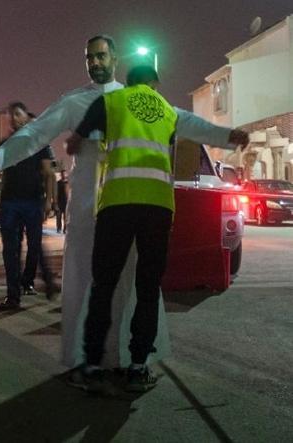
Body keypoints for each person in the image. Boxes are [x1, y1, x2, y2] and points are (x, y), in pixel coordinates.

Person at [0, 35, 249, 372]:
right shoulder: (73, 102)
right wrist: (0, 157)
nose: (95, 63)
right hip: (88, 205)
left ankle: (135, 358)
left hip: (126, 202)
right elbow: (37, 133)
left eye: (101, 56)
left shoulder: (135, 100)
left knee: (135, 281)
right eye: (89, 57)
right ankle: (84, 360)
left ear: (115, 58)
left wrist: (225, 136)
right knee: (85, 281)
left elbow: (184, 123)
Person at [66, 65, 215, 392]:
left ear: (129, 81)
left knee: (103, 284)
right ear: (154, 83)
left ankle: (91, 366)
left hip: (118, 202)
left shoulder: (110, 102)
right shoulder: (167, 111)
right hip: (157, 206)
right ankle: (137, 367)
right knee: (148, 287)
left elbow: (74, 142)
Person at [0, 102, 57, 311]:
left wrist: (48, 200)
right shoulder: (5, 144)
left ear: (25, 117)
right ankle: (13, 297)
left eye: (17, 114)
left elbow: (49, 173)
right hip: (10, 203)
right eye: (10, 115)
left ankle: (47, 281)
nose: (13, 118)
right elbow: (1, 174)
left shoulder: (39, 142)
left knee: (36, 246)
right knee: (10, 251)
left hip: (32, 201)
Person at [56, 169, 69, 234]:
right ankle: (58, 228)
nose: (64, 175)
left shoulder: (68, 183)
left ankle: (65, 229)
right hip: (59, 202)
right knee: (58, 216)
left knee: (65, 217)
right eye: (62, 173)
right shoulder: (58, 183)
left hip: (66, 202)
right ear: (61, 175)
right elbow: (56, 193)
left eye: (65, 173)